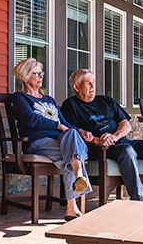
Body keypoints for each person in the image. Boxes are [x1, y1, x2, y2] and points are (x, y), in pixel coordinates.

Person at [61, 69, 143, 203]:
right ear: (76, 87)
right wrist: (98, 140)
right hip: (99, 149)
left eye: (93, 82)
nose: (92, 86)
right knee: (127, 150)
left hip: (120, 141)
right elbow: (73, 132)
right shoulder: (71, 105)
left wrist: (114, 137)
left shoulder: (106, 100)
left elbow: (126, 124)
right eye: (87, 83)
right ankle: (138, 199)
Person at [10, 58, 91, 220]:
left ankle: (73, 201)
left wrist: (80, 131)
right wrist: (57, 126)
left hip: (59, 141)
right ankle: (77, 183)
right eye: (36, 73)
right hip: (36, 142)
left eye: (42, 73)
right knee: (70, 153)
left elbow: (65, 124)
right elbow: (31, 120)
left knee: (71, 142)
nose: (41, 77)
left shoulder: (49, 99)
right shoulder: (20, 98)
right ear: (25, 77)